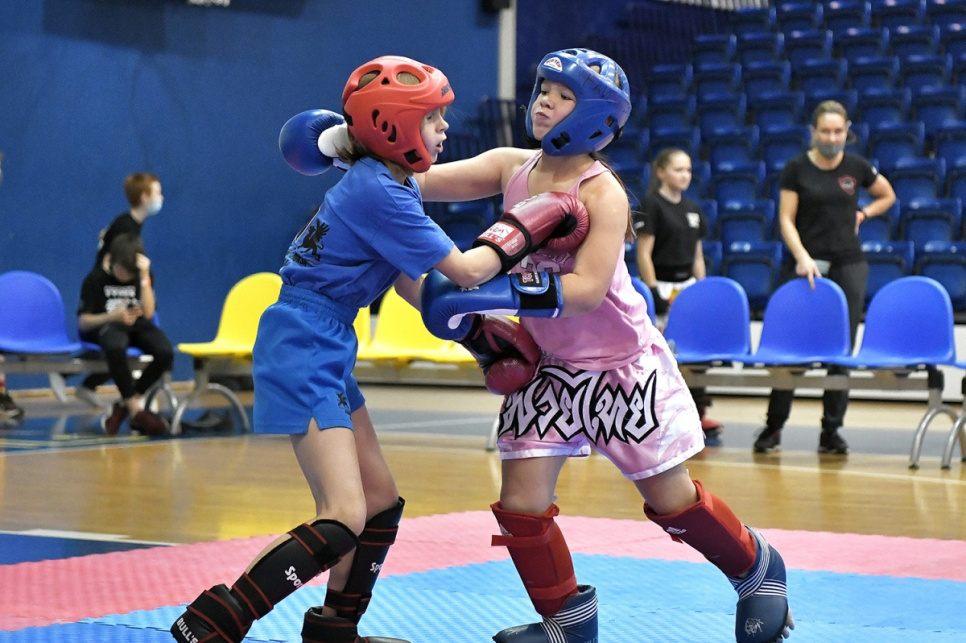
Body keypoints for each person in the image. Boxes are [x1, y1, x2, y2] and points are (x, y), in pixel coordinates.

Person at [169, 55, 582, 643]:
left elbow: (413, 284)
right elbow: (466, 272)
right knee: (344, 515)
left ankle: (335, 630)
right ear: (396, 128)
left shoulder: (384, 183)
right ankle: (215, 623)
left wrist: (475, 334)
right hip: (305, 341)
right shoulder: (383, 193)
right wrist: (523, 228)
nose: (445, 128)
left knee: (379, 502)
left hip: (320, 337)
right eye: (434, 119)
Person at [414, 48, 793, 643]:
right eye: (543, 90)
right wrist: (353, 150)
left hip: (621, 367)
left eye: (563, 96)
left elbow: (588, 291)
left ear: (593, 116)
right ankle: (567, 620)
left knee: (672, 501)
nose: (544, 102)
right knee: (521, 505)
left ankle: (756, 569)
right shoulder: (511, 166)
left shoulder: (603, 193)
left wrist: (487, 288)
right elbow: (415, 182)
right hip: (550, 366)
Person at [753, 100, 895, 456]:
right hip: (803, 265)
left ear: (847, 132)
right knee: (789, 349)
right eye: (825, 131)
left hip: (849, 264)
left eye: (838, 131)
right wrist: (802, 256)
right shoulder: (796, 169)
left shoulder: (857, 166)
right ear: (813, 132)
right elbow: (786, 220)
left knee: (841, 349)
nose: (832, 137)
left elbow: (887, 194)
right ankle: (773, 426)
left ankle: (831, 431)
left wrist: (863, 214)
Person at [633, 147, 723, 445]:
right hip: (661, 284)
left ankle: (697, 413)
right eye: (678, 169)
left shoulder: (694, 210)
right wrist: (653, 291)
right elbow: (644, 254)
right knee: (660, 354)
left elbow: (697, 256)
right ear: (661, 172)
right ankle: (656, 414)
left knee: (695, 351)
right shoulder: (652, 205)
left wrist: (702, 289)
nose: (685, 175)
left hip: (688, 288)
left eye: (688, 170)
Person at [75, 173, 165, 408]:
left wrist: (144, 280)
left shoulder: (130, 224)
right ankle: (127, 400)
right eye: (158, 193)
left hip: (124, 294)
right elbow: (111, 254)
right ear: (144, 197)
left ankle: (115, 393)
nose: (162, 198)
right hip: (107, 293)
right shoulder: (126, 226)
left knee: (147, 344)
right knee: (114, 342)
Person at [77, 233, 172, 436]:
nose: (127, 277)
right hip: (109, 326)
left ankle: (123, 406)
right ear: (111, 260)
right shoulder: (95, 279)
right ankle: (136, 409)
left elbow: (148, 313)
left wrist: (144, 277)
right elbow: (83, 322)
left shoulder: (142, 276)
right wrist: (113, 317)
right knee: (115, 346)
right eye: (123, 271)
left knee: (165, 352)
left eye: (132, 273)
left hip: (137, 326)